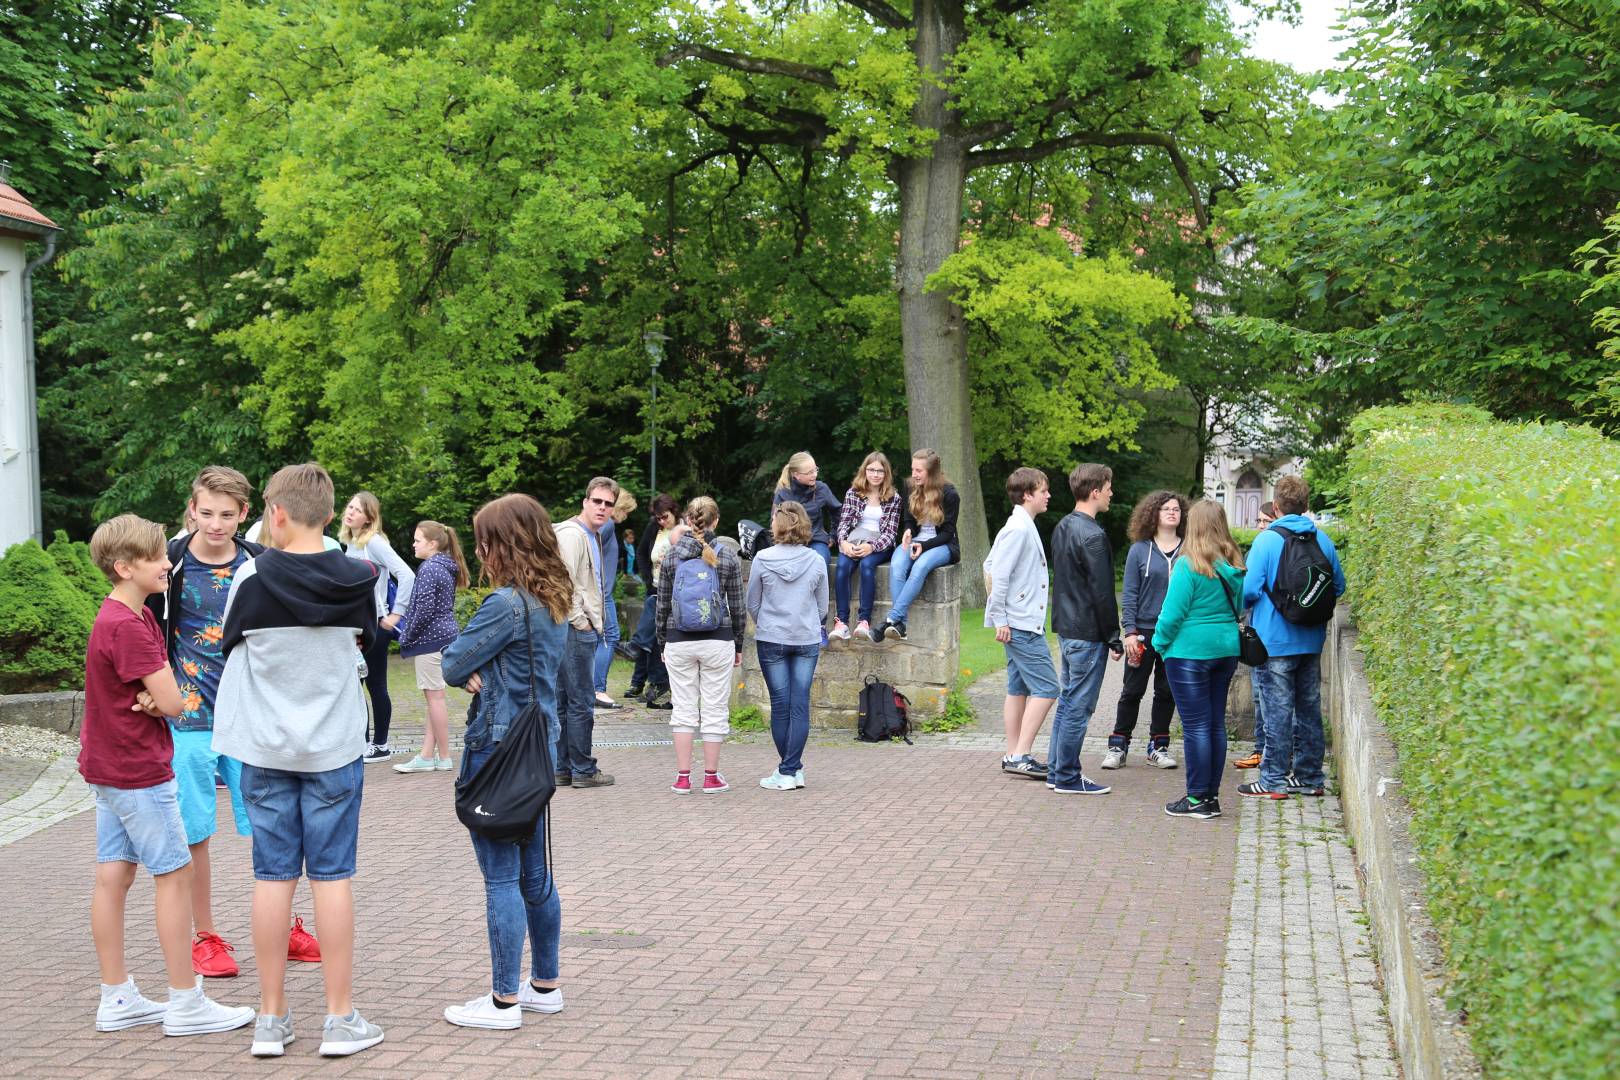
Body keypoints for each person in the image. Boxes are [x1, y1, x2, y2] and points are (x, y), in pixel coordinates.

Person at [211, 463, 384, 1056]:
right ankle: (339, 1019)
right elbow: (363, 644)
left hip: (264, 748)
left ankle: (270, 1019)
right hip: (334, 747)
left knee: (272, 876)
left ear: (275, 513)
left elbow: (233, 646)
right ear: (332, 514)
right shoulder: (360, 579)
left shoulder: (251, 580)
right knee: (333, 877)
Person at [81, 513, 254, 1037]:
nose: (167, 563)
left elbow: (156, 697)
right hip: (139, 771)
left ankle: (117, 996)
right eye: (156, 557)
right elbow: (176, 701)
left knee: (114, 874)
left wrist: (154, 701)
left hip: (106, 768)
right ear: (123, 567)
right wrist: (160, 704)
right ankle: (186, 1000)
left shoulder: (115, 617)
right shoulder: (131, 626)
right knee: (174, 877)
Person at [144, 466, 322, 978]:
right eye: (206, 513)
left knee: (272, 825)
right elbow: (142, 627)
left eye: (227, 514)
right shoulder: (171, 565)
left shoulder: (263, 562)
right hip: (189, 718)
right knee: (195, 831)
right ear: (191, 511)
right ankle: (206, 935)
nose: (216, 524)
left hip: (253, 719)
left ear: (245, 514)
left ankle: (283, 926)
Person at [440, 494, 569, 1031]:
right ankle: (544, 985)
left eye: (483, 539)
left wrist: (479, 667)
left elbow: (451, 662)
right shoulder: (555, 599)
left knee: (500, 878)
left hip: (497, 748)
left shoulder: (505, 604)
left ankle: (501, 1002)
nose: (479, 550)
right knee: (536, 874)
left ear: (503, 543)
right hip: (540, 746)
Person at [1238, 476, 1346, 799]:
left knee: (1276, 711)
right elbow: (1337, 587)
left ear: (1276, 506)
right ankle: (1310, 776)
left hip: (1273, 642)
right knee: (1309, 709)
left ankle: (1272, 780)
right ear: (1307, 506)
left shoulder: (1266, 542)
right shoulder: (1323, 541)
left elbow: (1248, 591)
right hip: (1311, 640)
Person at [1153, 500, 1245, 820]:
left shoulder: (1188, 565)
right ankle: (1211, 797)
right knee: (1214, 724)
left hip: (1189, 653)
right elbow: (1240, 607)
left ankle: (1196, 800)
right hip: (1226, 651)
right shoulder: (1233, 565)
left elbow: (1171, 614)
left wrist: (1159, 644)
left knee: (1195, 727)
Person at [985, 467, 1070, 786]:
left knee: (1017, 687)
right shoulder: (1018, 529)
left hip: (1019, 620)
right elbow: (999, 574)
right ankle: (1021, 755)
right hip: (1019, 623)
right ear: (1027, 495)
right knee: (1048, 688)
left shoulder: (1021, 525)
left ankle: (1013, 754)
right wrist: (1001, 620)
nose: (1048, 495)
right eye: (1043, 490)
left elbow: (991, 565)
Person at [656, 496, 746, 793]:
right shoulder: (727, 556)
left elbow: (663, 606)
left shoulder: (671, 556)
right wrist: (738, 644)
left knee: (682, 709)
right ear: (715, 522)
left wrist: (662, 642)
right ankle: (710, 776)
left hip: (679, 639)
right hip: (718, 639)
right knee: (714, 708)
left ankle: (683, 777)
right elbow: (737, 606)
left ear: (686, 520)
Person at [1045, 464, 1123, 793]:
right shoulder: (1093, 534)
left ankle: (1056, 771)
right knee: (1079, 705)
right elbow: (1101, 592)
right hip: (1087, 632)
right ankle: (1066, 775)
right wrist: (1113, 637)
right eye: (1108, 487)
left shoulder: (1063, 526)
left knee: (1068, 701)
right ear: (1094, 491)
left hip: (1067, 627)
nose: (1111, 493)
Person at [747, 502, 828, 790]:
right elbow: (822, 607)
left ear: (777, 525)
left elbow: (752, 603)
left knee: (780, 706)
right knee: (799, 705)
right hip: (806, 639)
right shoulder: (817, 560)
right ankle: (792, 769)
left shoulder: (762, 558)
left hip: (772, 638)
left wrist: (768, 621)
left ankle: (788, 770)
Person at [1106, 490, 1187, 771]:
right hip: (1143, 632)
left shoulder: (1189, 549)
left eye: (1176, 509)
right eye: (1166, 508)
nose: (1171, 513)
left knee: (1167, 692)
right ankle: (1118, 745)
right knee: (1132, 690)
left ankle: (1158, 746)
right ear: (1153, 513)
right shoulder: (1140, 550)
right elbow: (1129, 594)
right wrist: (1129, 631)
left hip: (1176, 634)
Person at [338, 491, 415, 764]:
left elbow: (406, 574)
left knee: (375, 684)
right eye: (349, 507)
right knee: (354, 684)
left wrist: (396, 614)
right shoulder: (350, 544)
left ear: (369, 517)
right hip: (356, 624)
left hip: (376, 623)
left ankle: (380, 744)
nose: (350, 513)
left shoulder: (375, 542)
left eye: (357, 510)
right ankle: (360, 741)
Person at [551, 477, 619, 788]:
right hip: (572, 628)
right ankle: (582, 769)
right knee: (579, 701)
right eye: (597, 501)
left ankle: (564, 767)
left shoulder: (591, 535)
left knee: (566, 700)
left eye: (608, 504)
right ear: (585, 501)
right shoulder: (573, 535)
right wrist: (582, 621)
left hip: (571, 626)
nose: (602, 508)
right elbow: (564, 582)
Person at [392, 521, 468, 773]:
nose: (413, 544)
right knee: (433, 697)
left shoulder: (428, 569)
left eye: (417, 540)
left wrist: (407, 636)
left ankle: (443, 756)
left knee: (435, 698)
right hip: (445, 636)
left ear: (433, 544)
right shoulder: (445, 567)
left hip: (430, 641)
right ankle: (426, 755)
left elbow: (423, 609)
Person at [876, 449, 961, 642]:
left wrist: (925, 546)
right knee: (897, 566)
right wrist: (908, 532)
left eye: (919, 470)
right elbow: (909, 519)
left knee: (920, 566)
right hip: (916, 541)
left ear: (931, 472)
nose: (914, 474)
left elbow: (948, 533)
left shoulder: (949, 494)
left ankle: (892, 619)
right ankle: (901, 625)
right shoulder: (911, 486)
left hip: (943, 545)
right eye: (913, 469)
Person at [828, 452, 902, 642]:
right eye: (871, 470)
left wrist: (872, 547)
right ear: (865, 470)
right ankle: (842, 622)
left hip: (879, 544)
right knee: (842, 567)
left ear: (886, 473)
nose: (875, 474)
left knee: (866, 566)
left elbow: (891, 534)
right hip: (854, 540)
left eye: (880, 470)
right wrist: (843, 543)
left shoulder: (894, 498)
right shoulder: (853, 493)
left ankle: (863, 621)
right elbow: (843, 523)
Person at [1233, 500, 1277, 771]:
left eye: (1266, 521)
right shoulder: (1260, 549)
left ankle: (1264, 752)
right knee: (1261, 696)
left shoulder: (1265, 549)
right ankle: (1263, 750)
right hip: (1260, 630)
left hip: (1265, 632)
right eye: (1258, 521)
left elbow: (1247, 592)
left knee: (1265, 695)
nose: (1261, 526)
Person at [624, 494, 678, 707]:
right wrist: (648, 578)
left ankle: (655, 680)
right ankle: (642, 680)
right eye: (658, 518)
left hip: (674, 592)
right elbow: (641, 553)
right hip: (654, 588)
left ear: (674, 511)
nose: (662, 522)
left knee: (654, 637)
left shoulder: (684, 529)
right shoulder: (653, 528)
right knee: (650, 635)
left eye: (665, 517)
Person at [592, 488, 637, 709]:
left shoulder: (604, 525)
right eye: (626, 512)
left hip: (601, 591)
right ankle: (597, 689)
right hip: (602, 592)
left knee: (601, 639)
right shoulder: (607, 524)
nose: (625, 516)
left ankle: (594, 687)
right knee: (609, 636)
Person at [771, 451, 842, 561]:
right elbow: (775, 522)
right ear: (796, 474)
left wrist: (833, 536)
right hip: (790, 543)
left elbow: (838, 512)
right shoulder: (783, 493)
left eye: (815, 470)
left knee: (820, 560)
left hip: (816, 541)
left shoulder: (822, 489)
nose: (815, 475)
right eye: (809, 472)